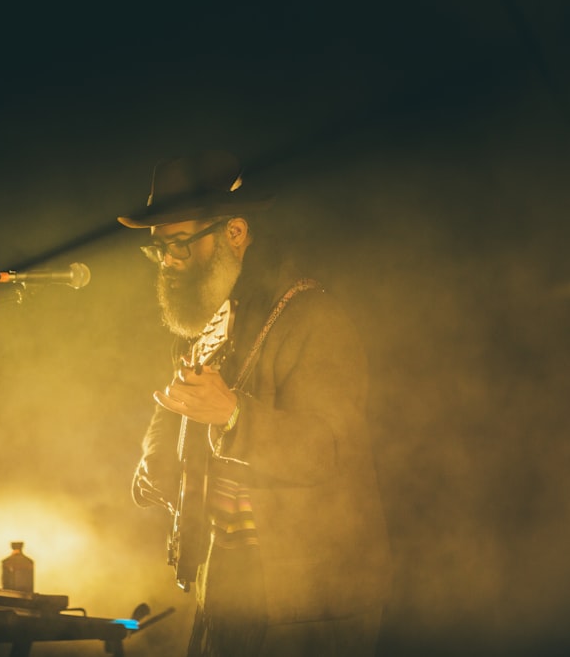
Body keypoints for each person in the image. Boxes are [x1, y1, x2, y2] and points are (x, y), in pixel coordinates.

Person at [119, 150, 392, 657]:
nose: (169, 263)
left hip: (307, 607)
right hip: (225, 594)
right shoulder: (211, 317)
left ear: (235, 233)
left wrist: (234, 416)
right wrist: (157, 456)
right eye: (159, 250)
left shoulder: (313, 319)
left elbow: (327, 449)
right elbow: (173, 404)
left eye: (180, 244)